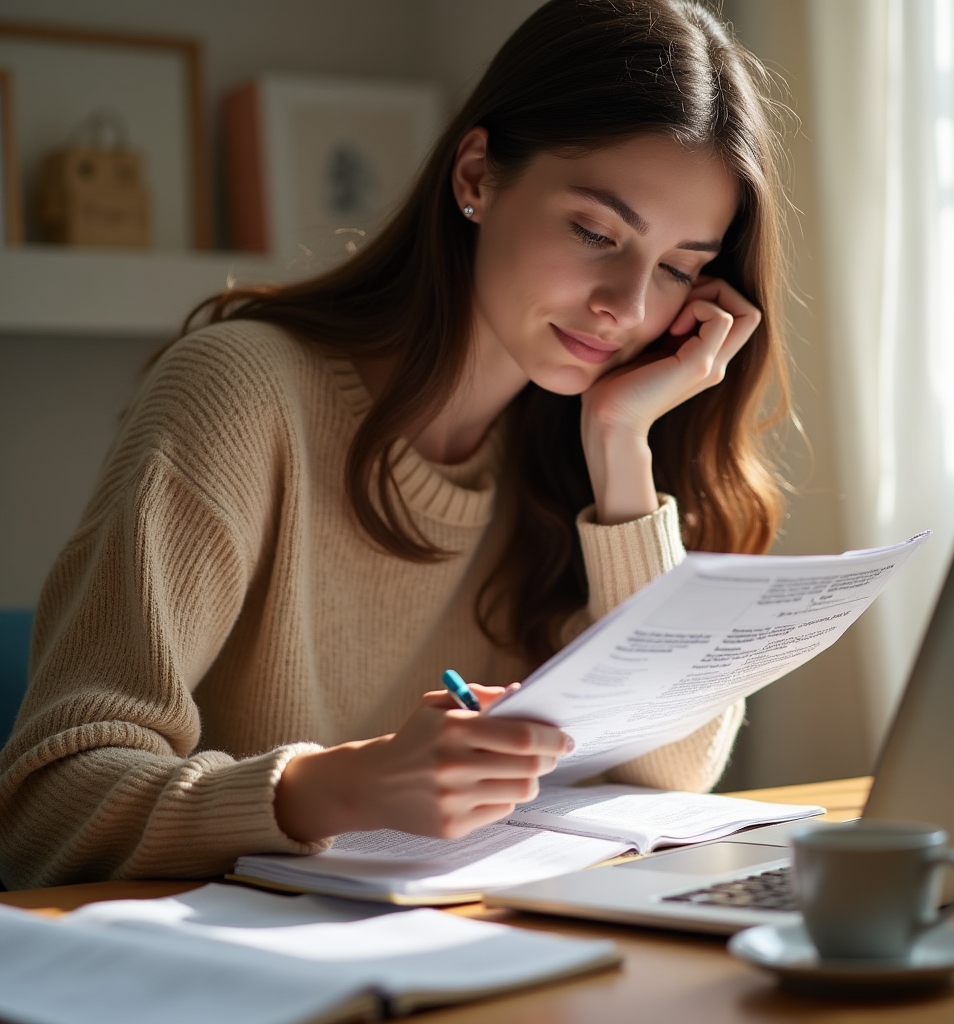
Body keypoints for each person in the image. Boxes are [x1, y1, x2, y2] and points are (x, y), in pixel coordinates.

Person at [0, 0, 791, 888]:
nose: (630, 306)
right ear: (478, 176)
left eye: (680, 267)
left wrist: (621, 443)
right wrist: (343, 786)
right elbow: (45, 811)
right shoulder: (241, 393)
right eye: (595, 233)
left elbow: (673, 771)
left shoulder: (571, 446)